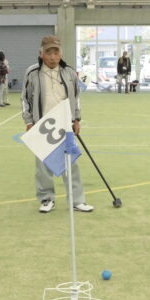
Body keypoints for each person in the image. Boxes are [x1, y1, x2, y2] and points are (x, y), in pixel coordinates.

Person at [22, 35, 94, 214]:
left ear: (61, 53)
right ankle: (46, 199)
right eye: (49, 53)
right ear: (41, 54)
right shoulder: (32, 73)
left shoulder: (69, 72)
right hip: (42, 125)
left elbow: (76, 98)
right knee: (43, 165)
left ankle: (77, 200)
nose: (53, 57)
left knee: (71, 164)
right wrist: (29, 121)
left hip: (65, 125)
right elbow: (25, 98)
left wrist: (76, 119)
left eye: (56, 52)